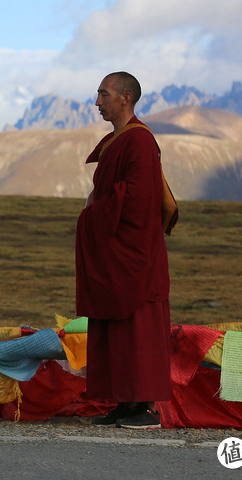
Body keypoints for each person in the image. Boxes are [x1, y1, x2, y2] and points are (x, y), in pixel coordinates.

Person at [75, 71, 172, 429]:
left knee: (138, 328)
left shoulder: (140, 142)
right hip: (114, 254)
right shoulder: (117, 140)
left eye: (103, 94)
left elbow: (138, 202)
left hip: (135, 256)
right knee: (116, 330)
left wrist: (92, 214)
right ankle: (124, 403)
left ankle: (144, 408)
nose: (98, 102)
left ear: (125, 98)